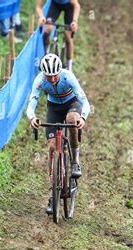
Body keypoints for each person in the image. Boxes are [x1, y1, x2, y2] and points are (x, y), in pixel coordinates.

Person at [26, 53, 90, 214]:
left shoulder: (68, 77)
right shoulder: (39, 81)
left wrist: (82, 118)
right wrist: (32, 117)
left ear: (59, 71)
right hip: (53, 108)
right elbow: (31, 104)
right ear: (44, 74)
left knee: (71, 119)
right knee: (52, 147)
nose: (53, 79)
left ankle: (75, 160)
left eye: (55, 75)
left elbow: (84, 101)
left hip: (72, 104)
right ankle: (51, 193)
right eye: (49, 76)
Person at [36, 0, 80, 71]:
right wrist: (41, 17)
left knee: (68, 38)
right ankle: (45, 54)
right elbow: (38, 6)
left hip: (69, 6)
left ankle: (69, 67)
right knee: (46, 32)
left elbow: (76, 6)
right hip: (55, 5)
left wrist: (74, 21)